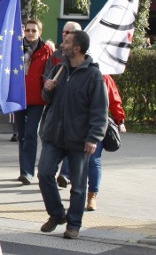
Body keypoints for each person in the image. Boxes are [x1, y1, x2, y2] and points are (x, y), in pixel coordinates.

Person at [37, 30, 108, 240]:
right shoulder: (60, 69)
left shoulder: (93, 75)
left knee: (78, 185)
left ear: (77, 48)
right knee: (44, 174)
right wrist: (48, 89)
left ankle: (74, 225)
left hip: (79, 139)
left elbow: (99, 109)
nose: (63, 44)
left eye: (67, 42)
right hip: (54, 136)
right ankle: (57, 214)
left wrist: (94, 137)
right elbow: (45, 99)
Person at [57, 74, 126, 211]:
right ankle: (77, 192)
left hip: (96, 125)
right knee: (75, 159)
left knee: (93, 160)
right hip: (75, 125)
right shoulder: (72, 74)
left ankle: (92, 195)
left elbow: (114, 99)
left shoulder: (104, 77)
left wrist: (120, 120)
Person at [14, 19, 54, 185]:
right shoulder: (16, 47)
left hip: (37, 99)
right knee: (21, 135)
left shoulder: (46, 49)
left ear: (40, 32)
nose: (30, 33)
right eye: (28, 30)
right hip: (18, 97)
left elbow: (51, 71)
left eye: (34, 31)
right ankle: (24, 169)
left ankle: (28, 172)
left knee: (31, 134)